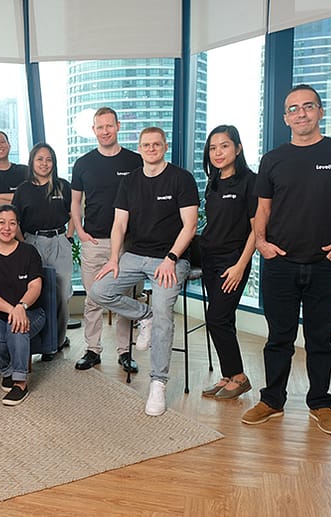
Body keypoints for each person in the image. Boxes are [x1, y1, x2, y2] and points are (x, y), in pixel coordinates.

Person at [242, 84, 331, 435]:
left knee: (320, 338)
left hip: (328, 264)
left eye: (308, 107)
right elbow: (262, 209)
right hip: (280, 263)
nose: (301, 113)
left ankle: (320, 404)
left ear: (320, 111)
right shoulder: (273, 159)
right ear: (285, 117)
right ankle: (271, 401)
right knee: (278, 338)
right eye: (293, 109)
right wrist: (261, 243)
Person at [90, 127, 199, 417]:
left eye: (156, 144)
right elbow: (119, 224)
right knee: (99, 290)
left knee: (164, 309)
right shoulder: (130, 182)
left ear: (165, 146)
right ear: (139, 149)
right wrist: (114, 258)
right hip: (135, 255)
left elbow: (190, 225)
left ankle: (158, 383)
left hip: (171, 259)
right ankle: (144, 316)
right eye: (145, 145)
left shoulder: (181, 179)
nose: (151, 148)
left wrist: (171, 258)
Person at [70, 107, 143, 373]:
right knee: (93, 299)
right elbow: (75, 201)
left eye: (109, 126)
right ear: (94, 130)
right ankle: (93, 350)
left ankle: (125, 352)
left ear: (118, 126)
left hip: (127, 245)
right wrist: (80, 231)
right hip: (95, 242)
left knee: (125, 297)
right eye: (99, 127)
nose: (104, 131)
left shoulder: (134, 161)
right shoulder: (83, 163)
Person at [198, 125, 257, 400]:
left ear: (238, 148)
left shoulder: (251, 182)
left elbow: (258, 231)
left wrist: (240, 265)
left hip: (233, 260)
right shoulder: (214, 182)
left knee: (216, 318)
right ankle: (228, 375)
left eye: (224, 146)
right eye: (212, 147)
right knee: (223, 319)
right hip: (210, 257)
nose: (218, 152)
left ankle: (241, 377)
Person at [0, 205, 46, 406]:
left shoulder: (29, 252)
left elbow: (35, 286)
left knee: (16, 327)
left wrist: (21, 307)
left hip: (31, 311)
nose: (7, 227)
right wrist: (13, 310)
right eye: (2, 222)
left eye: (12, 223)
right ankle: (7, 371)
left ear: (17, 226)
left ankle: (20, 382)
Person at [13, 143, 74, 357]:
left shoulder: (63, 186)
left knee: (63, 293)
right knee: (37, 292)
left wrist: (69, 236)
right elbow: (15, 221)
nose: (44, 163)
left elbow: (74, 212)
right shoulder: (23, 189)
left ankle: (56, 341)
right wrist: (24, 244)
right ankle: (40, 340)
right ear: (32, 162)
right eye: (40, 159)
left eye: (48, 159)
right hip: (33, 242)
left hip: (59, 240)